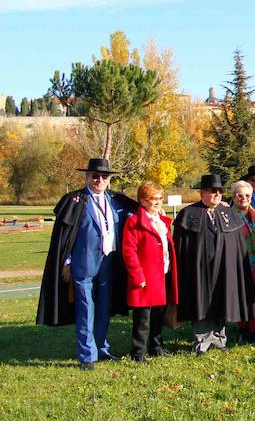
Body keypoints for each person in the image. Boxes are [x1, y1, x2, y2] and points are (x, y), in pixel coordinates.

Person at [37, 158, 138, 370]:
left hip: (109, 262)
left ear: (109, 179)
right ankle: (87, 355)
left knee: (104, 307)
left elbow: (141, 214)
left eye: (104, 177)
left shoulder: (116, 201)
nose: (99, 180)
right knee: (85, 308)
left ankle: (101, 347)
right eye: (94, 176)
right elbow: (64, 237)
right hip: (83, 263)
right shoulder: (75, 200)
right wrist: (66, 263)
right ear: (87, 177)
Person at [174, 174, 255, 355]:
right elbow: (181, 248)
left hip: (223, 269)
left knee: (222, 302)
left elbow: (237, 245)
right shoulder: (188, 214)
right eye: (213, 191)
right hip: (199, 270)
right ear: (203, 192)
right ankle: (202, 341)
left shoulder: (228, 213)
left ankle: (219, 339)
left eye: (220, 191)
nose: (217, 194)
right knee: (201, 304)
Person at [121, 181, 178, 362]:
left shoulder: (160, 220)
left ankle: (156, 346)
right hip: (145, 277)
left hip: (162, 274)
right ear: (143, 201)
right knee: (143, 318)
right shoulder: (134, 222)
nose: (158, 202)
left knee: (158, 316)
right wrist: (137, 275)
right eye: (154, 199)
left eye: (160, 198)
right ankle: (138, 352)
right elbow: (129, 251)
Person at [231, 180, 255, 345]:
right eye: (239, 195)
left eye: (247, 195)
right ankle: (243, 330)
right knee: (242, 299)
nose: (243, 198)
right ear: (234, 197)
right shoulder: (229, 216)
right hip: (240, 264)